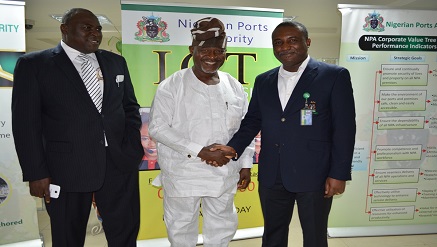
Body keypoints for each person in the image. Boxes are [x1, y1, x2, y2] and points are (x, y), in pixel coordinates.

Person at [213, 21, 356, 247]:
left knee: (315, 235)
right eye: (278, 42)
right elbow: (253, 120)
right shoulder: (264, 81)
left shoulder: (333, 76)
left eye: (292, 40)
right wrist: (233, 147)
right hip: (273, 174)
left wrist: (339, 173)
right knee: (273, 234)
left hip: (315, 175)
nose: (285, 47)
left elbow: (345, 129)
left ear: (307, 42)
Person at [11, 8, 143, 246]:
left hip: (118, 163)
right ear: (65, 29)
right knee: (67, 237)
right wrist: (36, 173)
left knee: (125, 231)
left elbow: (130, 109)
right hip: (66, 168)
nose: (95, 33)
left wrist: (132, 147)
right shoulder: (35, 65)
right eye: (87, 28)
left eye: (98, 29)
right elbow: (26, 124)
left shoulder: (116, 62)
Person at [148, 17, 254, 247]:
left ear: (225, 53)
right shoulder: (172, 86)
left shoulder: (233, 86)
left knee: (222, 225)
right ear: (192, 50)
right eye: (205, 51)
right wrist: (201, 152)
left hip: (224, 172)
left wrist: (246, 163)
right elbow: (157, 128)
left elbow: (245, 126)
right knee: (181, 228)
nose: (212, 57)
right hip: (184, 173)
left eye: (218, 51)